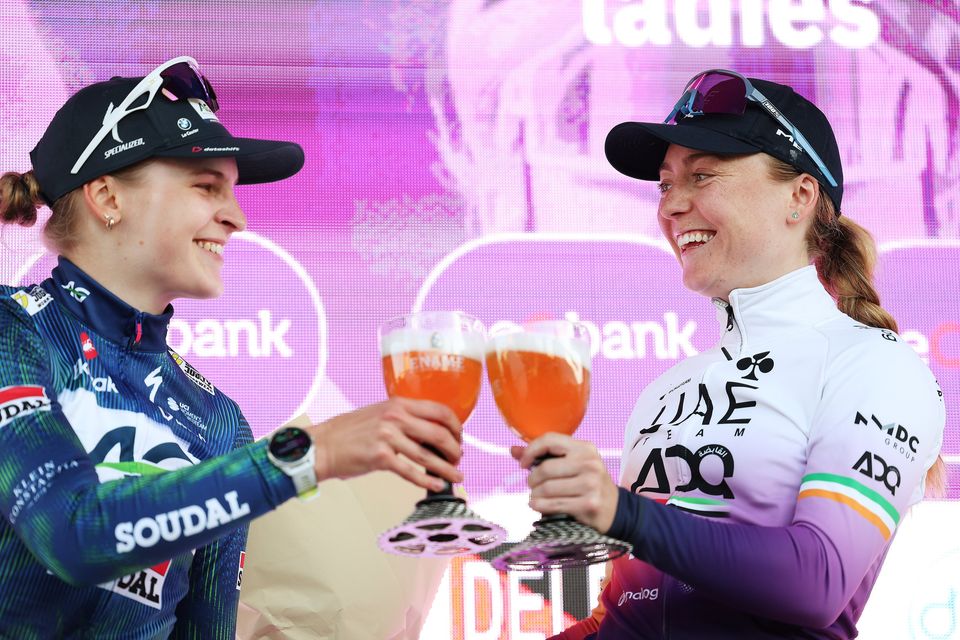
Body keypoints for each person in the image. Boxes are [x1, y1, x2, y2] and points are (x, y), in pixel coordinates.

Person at [0, 56, 464, 639]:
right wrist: (311, 454)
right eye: (206, 187)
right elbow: (70, 537)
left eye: (232, 191)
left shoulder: (218, 419)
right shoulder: (12, 329)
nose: (237, 218)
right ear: (107, 197)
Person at [512, 70, 947, 639]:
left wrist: (621, 512)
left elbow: (816, 582)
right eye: (665, 185)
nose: (672, 206)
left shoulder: (876, 365)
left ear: (800, 196)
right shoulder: (665, 392)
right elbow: (623, 617)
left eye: (702, 175)